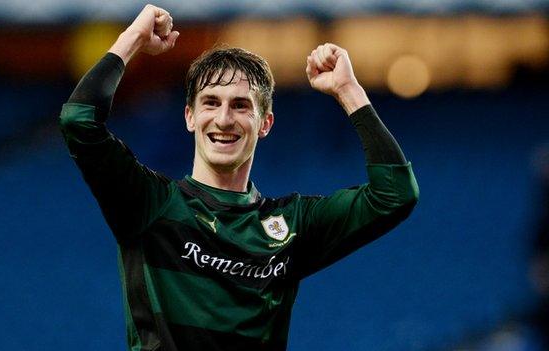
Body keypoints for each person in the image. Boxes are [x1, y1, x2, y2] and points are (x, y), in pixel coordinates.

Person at [59, 4, 419, 351]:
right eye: (211, 103)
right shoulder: (151, 205)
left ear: (265, 124)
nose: (224, 119)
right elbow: (79, 120)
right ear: (189, 117)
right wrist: (133, 37)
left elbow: (396, 194)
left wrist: (348, 91)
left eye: (241, 105)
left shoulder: (292, 226)